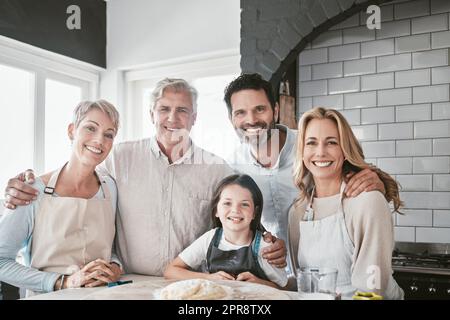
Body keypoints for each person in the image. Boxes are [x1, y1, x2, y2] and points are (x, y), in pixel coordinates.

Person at [3, 78, 287, 276]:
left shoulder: (218, 169)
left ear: (194, 118)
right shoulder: (119, 157)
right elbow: (78, 175)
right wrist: (31, 182)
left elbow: (240, 216)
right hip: (128, 283)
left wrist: (269, 245)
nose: (172, 118)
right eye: (164, 109)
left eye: (182, 111)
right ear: (151, 113)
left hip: (189, 285)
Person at [224, 73, 387, 245]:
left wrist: (377, 182)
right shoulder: (232, 167)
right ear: (231, 119)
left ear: (276, 111)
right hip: (271, 269)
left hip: (328, 259)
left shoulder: (312, 147)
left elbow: (361, 182)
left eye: (260, 109)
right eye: (240, 113)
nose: (251, 120)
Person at [0, 100, 122, 296]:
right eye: (91, 128)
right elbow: (1, 261)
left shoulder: (110, 189)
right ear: (72, 131)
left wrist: (115, 266)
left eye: (109, 134)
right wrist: (62, 282)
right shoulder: (31, 190)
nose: (99, 140)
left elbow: (112, 249)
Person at [288, 107, 404, 299]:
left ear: (345, 149)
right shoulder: (298, 211)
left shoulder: (367, 201)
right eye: (311, 143)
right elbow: (304, 284)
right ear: (302, 151)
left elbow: (371, 291)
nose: (320, 152)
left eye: (331, 142)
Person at [164, 174, 287, 289]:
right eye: (227, 203)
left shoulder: (265, 246)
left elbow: (283, 288)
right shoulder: (209, 239)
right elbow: (171, 271)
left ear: (254, 212)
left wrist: (260, 284)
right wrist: (209, 278)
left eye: (244, 205)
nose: (235, 210)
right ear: (216, 210)